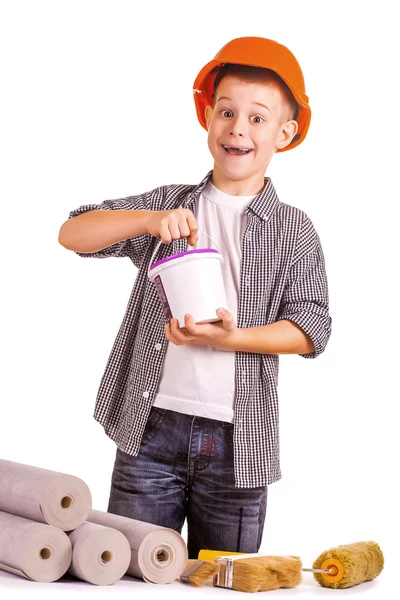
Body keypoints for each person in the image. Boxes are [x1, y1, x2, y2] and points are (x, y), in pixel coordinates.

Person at [58, 37, 332, 558]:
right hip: (149, 431)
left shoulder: (293, 231)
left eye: (257, 118)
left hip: (239, 444)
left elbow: (311, 328)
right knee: (130, 575)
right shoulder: (170, 207)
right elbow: (72, 233)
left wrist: (233, 338)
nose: (238, 128)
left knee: (224, 580)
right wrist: (147, 221)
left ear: (285, 133)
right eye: (226, 112)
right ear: (207, 116)